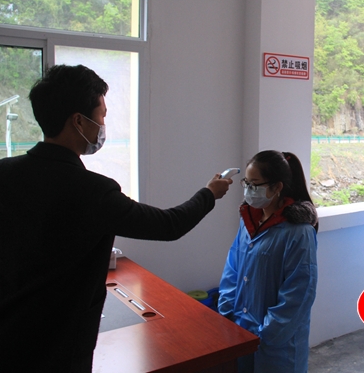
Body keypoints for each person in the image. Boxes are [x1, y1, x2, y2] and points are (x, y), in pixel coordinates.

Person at [0, 64, 232, 372]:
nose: (102, 125)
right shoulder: (93, 191)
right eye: (102, 115)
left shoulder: (5, 173)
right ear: (78, 121)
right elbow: (169, 225)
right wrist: (209, 194)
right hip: (59, 347)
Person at [218, 150, 318, 373]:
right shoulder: (249, 221)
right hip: (241, 332)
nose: (248, 190)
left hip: (277, 346)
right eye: (246, 183)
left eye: (255, 184)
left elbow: (298, 294)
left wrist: (266, 334)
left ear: (277, 187)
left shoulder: (298, 232)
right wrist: (228, 313)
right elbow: (232, 268)